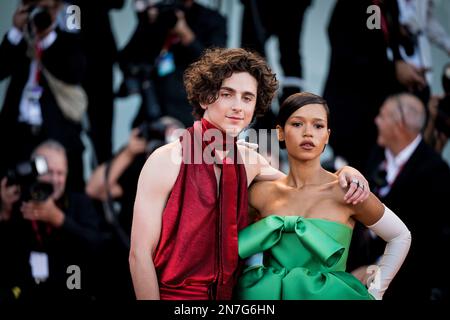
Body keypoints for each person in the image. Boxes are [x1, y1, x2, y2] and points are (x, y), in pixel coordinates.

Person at [129, 48, 372, 300]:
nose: (237, 106)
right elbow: (139, 255)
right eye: (227, 94)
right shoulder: (167, 159)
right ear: (204, 98)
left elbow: (307, 188)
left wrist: (346, 172)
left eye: (247, 98)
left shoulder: (249, 161)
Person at [236, 92, 411, 300]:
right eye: (297, 124)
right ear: (280, 133)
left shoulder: (347, 190)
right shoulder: (259, 193)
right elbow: (221, 243)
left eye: (318, 126)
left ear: (327, 135)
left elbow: (400, 235)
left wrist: (376, 292)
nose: (308, 133)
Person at [350, 93, 450, 300]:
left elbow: (426, 239)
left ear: (400, 124)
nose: (376, 120)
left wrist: (378, 269)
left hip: (403, 280)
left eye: (383, 116)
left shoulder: (435, 171)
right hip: (356, 264)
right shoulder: (376, 153)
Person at [0, 140, 103, 302]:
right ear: (34, 171)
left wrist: (60, 220)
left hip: (72, 291)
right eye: (49, 172)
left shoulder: (79, 203)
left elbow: (99, 246)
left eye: (60, 173)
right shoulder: (17, 201)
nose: (55, 180)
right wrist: (4, 213)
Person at [0, 0, 87, 192]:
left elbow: (75, 68)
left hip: (57, 130)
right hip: (18, 131)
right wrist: (16, 30)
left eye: (47, 6)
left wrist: (48, 37)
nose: (41, 10)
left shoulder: (73, 11)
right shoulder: (28, 20)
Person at [117, 0, 227, 128]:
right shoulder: (159, 14)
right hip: (154, 106)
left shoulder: (211, 19)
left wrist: (185, 33)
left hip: (190, 109)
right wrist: (148, 26)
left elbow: (215, 66)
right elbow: (126, 60)